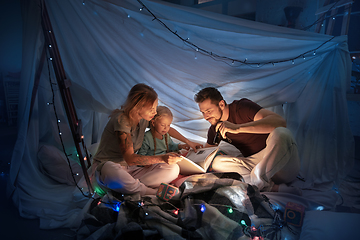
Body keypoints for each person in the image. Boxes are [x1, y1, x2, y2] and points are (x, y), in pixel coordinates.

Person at [93, 83, 201, 196]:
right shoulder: (122, 120)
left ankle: (132, 187)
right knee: (110, 170)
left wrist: (188, 141)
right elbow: (130, 158)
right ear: (138, 106)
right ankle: (152, 192)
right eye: (151, 109)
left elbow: (163, 127)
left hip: (132, 170)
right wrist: (161, 158)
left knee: (173, 169)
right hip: (110, 168)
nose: (155, 112)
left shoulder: (143, 118)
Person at [194, 87, 301, 194]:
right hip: (255, 164)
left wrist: (238, 128)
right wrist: (192, 151)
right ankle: (271, 187)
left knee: (281, 133)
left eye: (209, 111)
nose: (206, 116)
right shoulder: (214, 129)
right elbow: (205, 158)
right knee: (217, 163)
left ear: (221, 104)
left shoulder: (241, 107)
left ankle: (257, 181)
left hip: (281, 165)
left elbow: (280, 122)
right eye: (203, 112)